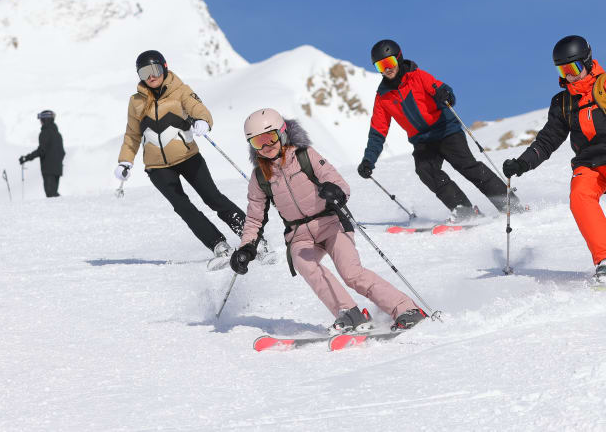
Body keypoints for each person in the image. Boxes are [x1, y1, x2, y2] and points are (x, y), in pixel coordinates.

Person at [232, 107, 427, 332]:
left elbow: (339, 183)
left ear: (283, 133)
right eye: (258, 142)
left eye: (270, 137)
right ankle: (349, 314)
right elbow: (255, 218)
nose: (266, 146)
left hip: (332, 223)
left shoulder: (305, 156)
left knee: (352, 274)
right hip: (299, 235)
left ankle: (406, 309)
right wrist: (247, 247)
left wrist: (336, 192)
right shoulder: (260, 177)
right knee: (304, 263)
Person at [503, 35, 606, 283]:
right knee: (580, 198)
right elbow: (547, 140)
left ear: (587, 62)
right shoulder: (563, 103)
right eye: (563, 69)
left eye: (574, 68)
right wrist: (523, 162)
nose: (570, 75)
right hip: (588, 164)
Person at [357, 39, 523, 221]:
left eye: (389, 63)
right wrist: (368, 160)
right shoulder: (383, 97)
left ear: (398, 58)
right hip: (422, 141)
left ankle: (509, 204)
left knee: (467, 166)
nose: (387, 69)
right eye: (381, 66)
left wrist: (446, 94)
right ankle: (464, 210)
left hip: (446, 130)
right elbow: (377, 132)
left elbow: (440, 87)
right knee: (425, 170)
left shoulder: (418, 76)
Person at [116, 50, 253, 262]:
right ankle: (218, 245)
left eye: (155, 69)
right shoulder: (136, 102)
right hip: (157, 167)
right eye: (144, 72)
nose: (151, 76)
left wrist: (203, 121)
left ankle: (252, 239)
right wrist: (125, 161)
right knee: (182, 207)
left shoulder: (180, 90)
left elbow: (197, 107)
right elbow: (132, 134)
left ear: (164, 67)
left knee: (212, 198)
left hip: (188, 158)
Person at [19, 111, 65, 197]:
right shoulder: (58, 134)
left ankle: (66, 208)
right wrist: (57, 161)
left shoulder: (44, 133)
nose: (40, 122)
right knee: (53, 194)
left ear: (45, 119)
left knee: (51, 195)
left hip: (48, 169)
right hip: (58, 169)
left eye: (41, 119)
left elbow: (41, 150)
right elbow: (62, 152)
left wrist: (26, 158)